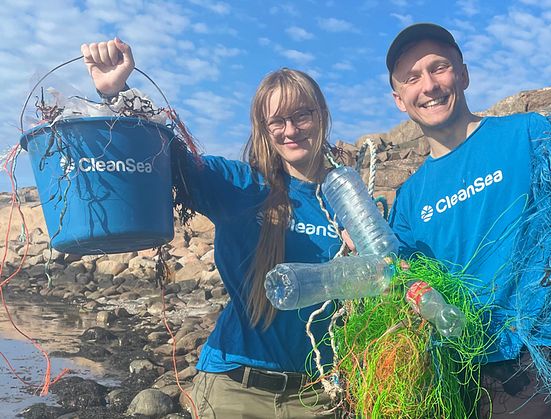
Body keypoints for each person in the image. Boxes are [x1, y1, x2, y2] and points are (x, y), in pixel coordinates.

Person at [385, 23, 551, 418]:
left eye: (438, 68)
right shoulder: (410, 196)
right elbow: (403, 272)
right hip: (448, 369)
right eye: (412, 78)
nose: (428, 86)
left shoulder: (524, 134)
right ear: (399, 99)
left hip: (525, 358)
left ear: (462, 74)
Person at [81, 39, 350, 419]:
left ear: (321, 114)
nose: (290, 130)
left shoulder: (352, 203)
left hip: (318, 397)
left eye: (301, 115)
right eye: (277, 121)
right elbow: (161, 154)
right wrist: (116, 92)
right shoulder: (239, 185)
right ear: (263, 128)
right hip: (233, 389)